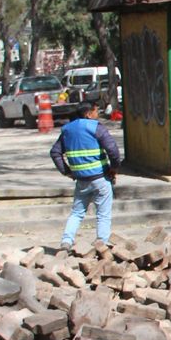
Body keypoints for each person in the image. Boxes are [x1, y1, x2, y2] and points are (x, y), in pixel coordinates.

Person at [51, 100, 123, 248]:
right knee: (103, 214)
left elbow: (55, 152)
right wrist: (114, 168)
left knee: (77, 213)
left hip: (81, 180)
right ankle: (101, 243)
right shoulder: (96, 127)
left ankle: (67, 240)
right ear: (88, 114)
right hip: (101, 177)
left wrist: (67, 171)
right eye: (96, 111)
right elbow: (113, 150)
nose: (98, 115)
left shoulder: (67, 130)